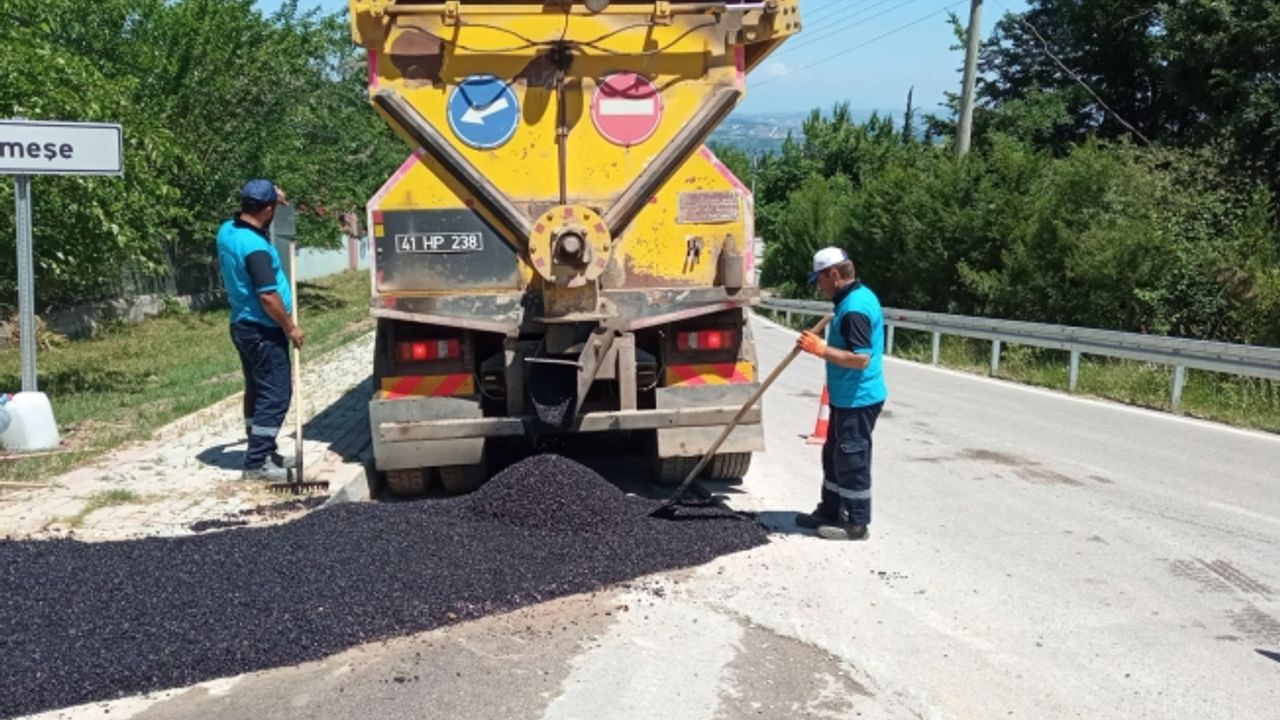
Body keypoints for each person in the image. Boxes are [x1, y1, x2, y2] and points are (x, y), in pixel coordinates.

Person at [794, 247, 887, 541]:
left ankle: (856, 523)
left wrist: (819, 349)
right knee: (833, 455)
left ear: (834, 274)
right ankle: (830, 511)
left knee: (852, 459)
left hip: (859, 397)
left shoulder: (855, 308)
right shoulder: (848, 301)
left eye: (820, 280)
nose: (819, 287)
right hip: (845, 396)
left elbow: (861, 358)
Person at [217, 180, 304, 482]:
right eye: (273, 207)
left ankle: (262, 449)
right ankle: (257, 463)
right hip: (262, 329)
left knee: (256, 390)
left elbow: (255, 221)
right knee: (276, 394)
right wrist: (290, 327)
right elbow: (268, 296)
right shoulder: (255, 249)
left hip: (241, 324)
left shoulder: (228, 230)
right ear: (267, 210)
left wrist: (272, 197)